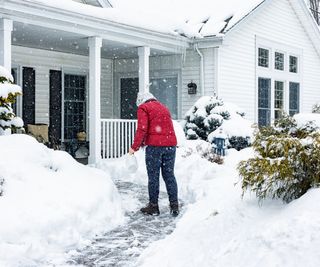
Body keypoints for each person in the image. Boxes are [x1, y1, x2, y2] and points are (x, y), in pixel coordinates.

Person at [129, 92, 179, 217]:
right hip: (170, 146)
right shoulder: (163, 107)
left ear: (140, 101)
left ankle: (153, 206)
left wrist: (134, 147)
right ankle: (174, 205)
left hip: (155, 147)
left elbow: (142, 128)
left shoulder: (144, 108)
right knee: (169, 175)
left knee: (153, 176)